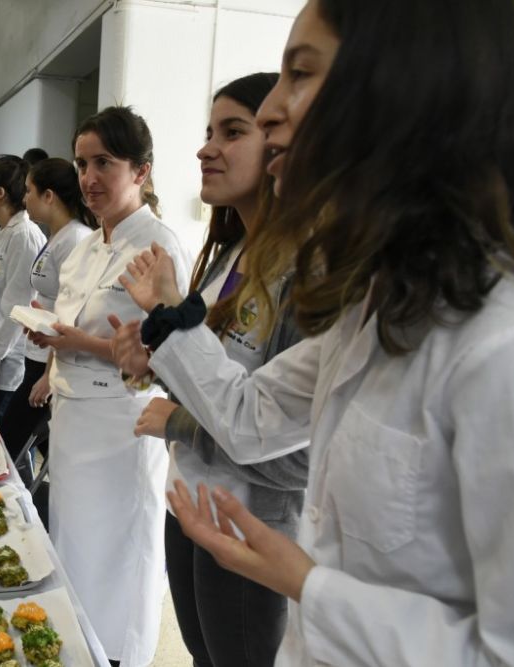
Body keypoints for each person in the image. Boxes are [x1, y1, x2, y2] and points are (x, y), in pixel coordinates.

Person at [111, 1, 514, 665]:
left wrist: (308, 583)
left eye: (300, 75)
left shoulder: (508, 349)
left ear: (411, 92)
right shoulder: (376, 310)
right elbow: (250, 418)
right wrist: (168, 321)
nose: (274, 108)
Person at [133, 72, 308, 667]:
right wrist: (151, 358)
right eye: (210, 132)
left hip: (250, 524)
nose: (206, 148)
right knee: (202, 653)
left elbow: (295, 453)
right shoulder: (230, 256)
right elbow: (216, 381)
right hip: (190, 502)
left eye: (233, 132)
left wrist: (179, 422)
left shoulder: (305, 273)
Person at [30, 106, 190, 666]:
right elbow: (73, 320)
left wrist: (76, 344)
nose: (88, 178)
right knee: (74, 547)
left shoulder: (158, 246)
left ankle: (119, 655)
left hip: (122, 424)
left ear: (141, 171)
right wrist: (53, 357)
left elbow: (167, 353)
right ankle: (80, 646)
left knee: (121, 553)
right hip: (73, 420)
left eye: (104, 163)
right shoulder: (88, 246)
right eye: (81, 163)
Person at [0, 158, 93, 486]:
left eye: (29, 192)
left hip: (50, 365)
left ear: (49, 196)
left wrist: (50, 375)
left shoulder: (77, 239)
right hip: (36, 355)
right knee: (24, 443)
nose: (23, 199)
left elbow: (74, 314)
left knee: (8, 442)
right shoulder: (55, 236)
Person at [0, 157, 46, 421]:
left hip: (10, 353)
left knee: (3, 438)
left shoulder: (24, 236)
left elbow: (18, 305)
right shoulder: (0, 233)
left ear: (0, 193)